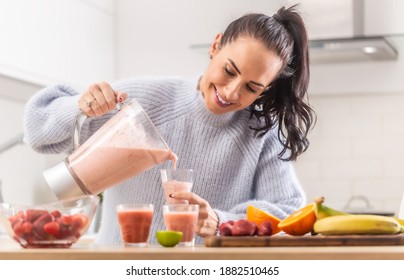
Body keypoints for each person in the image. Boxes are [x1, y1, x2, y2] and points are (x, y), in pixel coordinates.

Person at [23, 5, 316, 245]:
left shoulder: (261, 133)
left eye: (252, 88)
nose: (230, 92)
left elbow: (287, 211)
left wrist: (219, 221)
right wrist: (80, 106)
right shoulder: (141, 101)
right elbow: (36, 131)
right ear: (215, 46)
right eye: (229, 71)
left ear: (265, 90)